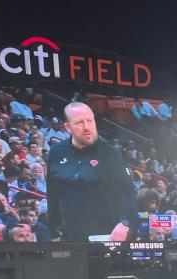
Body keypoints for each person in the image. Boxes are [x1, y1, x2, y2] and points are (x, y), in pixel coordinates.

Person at [46, 102, 135, 243]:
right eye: (80, 123)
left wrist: (125, 224)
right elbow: (53, 195)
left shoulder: (110, 153)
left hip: (105, 234)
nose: (87, 127)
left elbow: (129, 192)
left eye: (90, 121)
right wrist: (53, 232)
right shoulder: (56, 152)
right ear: (68, 127)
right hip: (70, 236)